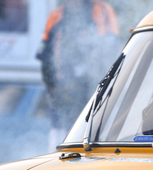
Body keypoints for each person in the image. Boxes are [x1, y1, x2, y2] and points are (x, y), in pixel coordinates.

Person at [36, 0, 119, 150]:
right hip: (62, 90)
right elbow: (45, 57)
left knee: (91, 134)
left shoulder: (101, 10)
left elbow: (110, 49)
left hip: (93, 90)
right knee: (59, 134)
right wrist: (52, 88)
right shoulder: (56, 16)